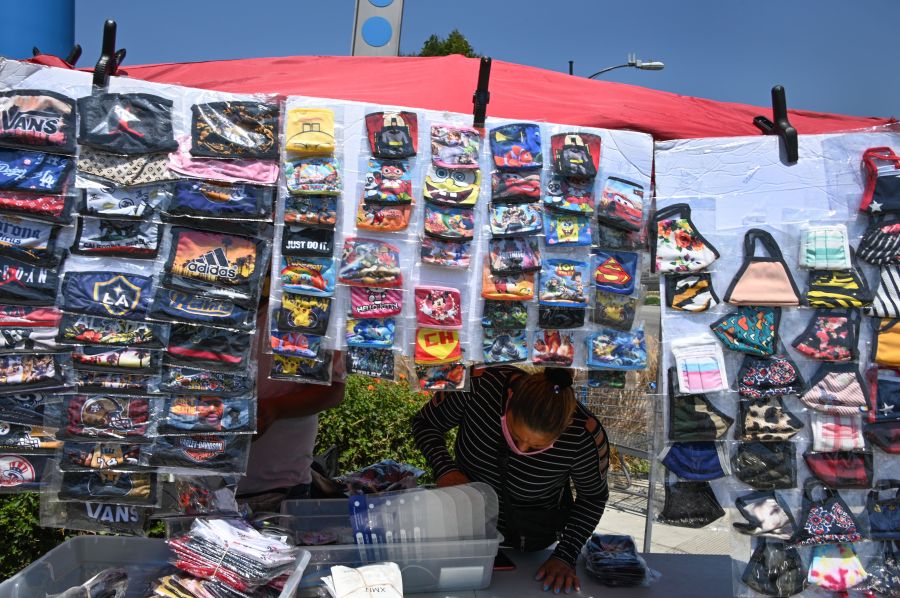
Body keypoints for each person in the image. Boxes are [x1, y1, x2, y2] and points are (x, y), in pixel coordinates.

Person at [411, 366, 610, 594]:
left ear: (564, 429)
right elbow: (425, 423)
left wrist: (565, 555)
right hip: (464, 534)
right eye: (515, 436)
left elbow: (592, 497)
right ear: (510, 400)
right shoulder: (477, 385)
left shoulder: (584, 435)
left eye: (536, 446)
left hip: (531, 547)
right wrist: (445, 468)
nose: (521, 448)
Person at [237, 296, 345, 512]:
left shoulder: (307, 307)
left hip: (279, 486)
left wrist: (276, 409)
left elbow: (333, 390)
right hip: (203, 483)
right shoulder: (209, 302)